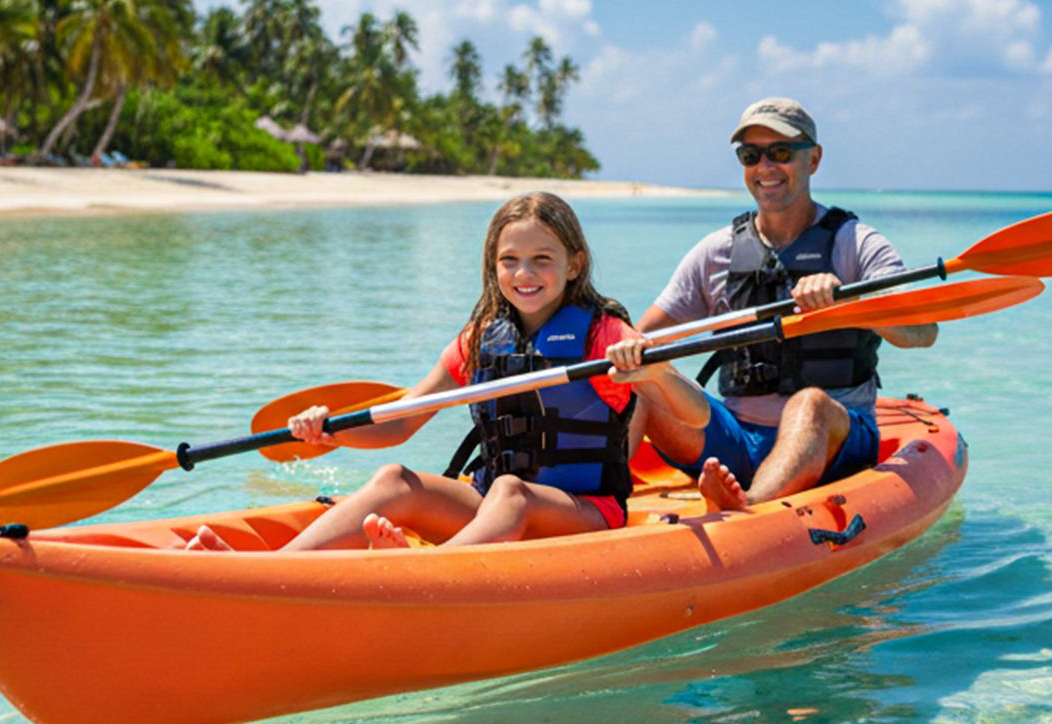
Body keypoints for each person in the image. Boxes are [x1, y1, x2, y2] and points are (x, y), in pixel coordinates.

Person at [187, 191, 709, 552]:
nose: (524, 274)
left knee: (511, 491)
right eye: (510, 260)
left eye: (541, 259)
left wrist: (654, 373)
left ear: (573, 265)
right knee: (396, 480)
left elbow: (698, 413)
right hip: (491, 508)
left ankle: (423, 576)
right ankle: (280, 569)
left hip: (586, 512)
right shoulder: (480, 340)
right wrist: (333, 434)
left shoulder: (605, 335)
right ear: (493, 265)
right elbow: (401, 420)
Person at [635, 97, 938, 512]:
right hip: (739, 439)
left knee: (808, 403)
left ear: (812, 159)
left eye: (780, 152)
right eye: (751, 155)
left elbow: (924, 331)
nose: (765, 167)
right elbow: (640, 335)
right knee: (639, 375)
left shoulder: (856, 244)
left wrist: (850, 304)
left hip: (831, 442)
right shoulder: (716, 251)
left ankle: (749, 507)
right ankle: (599, 499)